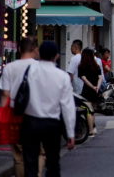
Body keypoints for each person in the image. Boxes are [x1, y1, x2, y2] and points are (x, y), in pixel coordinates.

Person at [20, 41, 75, 177]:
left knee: (30, 162)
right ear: (56, 56)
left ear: (39, 53)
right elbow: (67, 106)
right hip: (52, 124)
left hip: (30, 122)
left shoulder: (29, 71)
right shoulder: (62, 76)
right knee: (53, 162)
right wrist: (70, 133)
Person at [0, 38, 41, 177]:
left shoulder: (9, 67)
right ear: (35, 49)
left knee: (18, 155)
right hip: (37, 115)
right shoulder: (40, 68)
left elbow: (5, 94)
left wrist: (1, 119)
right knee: (39, 152)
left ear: (19, 50)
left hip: (15, 114)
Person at [77, 47, 102, 137]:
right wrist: (97, 87)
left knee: (88, 110)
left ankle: (91, 130)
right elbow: (100, 77)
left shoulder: (81, 66)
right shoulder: (96, 66)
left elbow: (84, 79)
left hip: (87, 90)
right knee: (92, 110)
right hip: (95, 91)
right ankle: (93, 128)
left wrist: (92, 87)